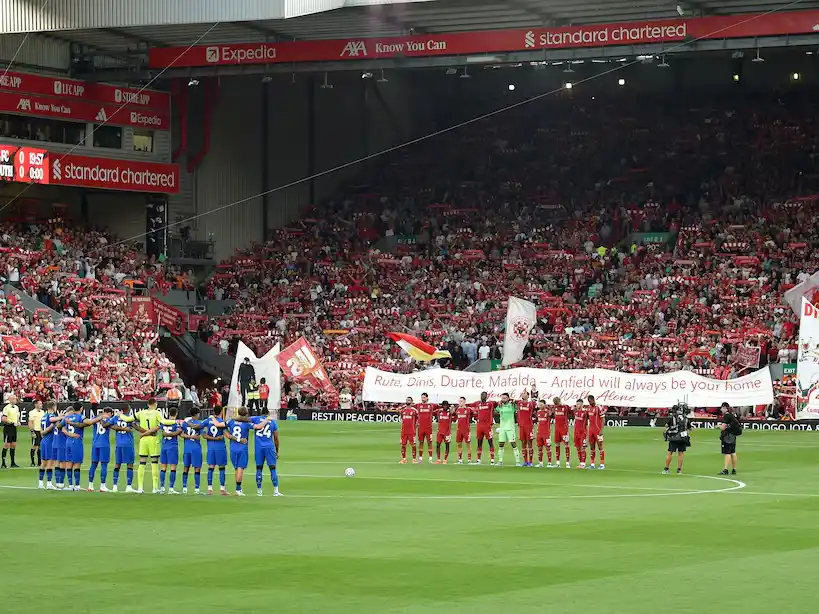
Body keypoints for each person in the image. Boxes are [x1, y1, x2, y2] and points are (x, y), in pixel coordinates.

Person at [134, 399, 164, 494]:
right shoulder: (157, 413)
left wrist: (143, 432)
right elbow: (161, 425)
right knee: (154, 463)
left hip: (143, 440)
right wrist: (149, 431)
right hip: (153, 439)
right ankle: (155, 488)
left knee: (142, 463)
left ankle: (139, 487)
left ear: (148, 404)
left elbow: (132, 423)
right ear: (155, 404)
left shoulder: (141, 413)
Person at [250, 408, 281, 496]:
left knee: (259, 468)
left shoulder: (255, 419)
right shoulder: (272, 422)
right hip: (269, 447)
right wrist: (277, 451)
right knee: (272, 468)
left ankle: (259, 491)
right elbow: (276, 438)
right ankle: (275, 491)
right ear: (268, 414)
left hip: (259, 448)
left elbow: (246, 419)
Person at [64, 401, 95, 491]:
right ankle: (77, 486)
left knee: (69, 464)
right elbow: (89, 422)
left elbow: (59, 426)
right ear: (81, 408)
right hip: (76, 442)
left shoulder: (68, 417)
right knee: (77, 464)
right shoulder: (80, 417)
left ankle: (70, 485)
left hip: (68, 442)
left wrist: (68, 433)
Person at [109, 404, 137, 493]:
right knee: (130, 465)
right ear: (128, 410)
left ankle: (114, 486)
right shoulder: (129, 418)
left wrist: (118, 428)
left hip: (119, 443)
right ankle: (128, 486)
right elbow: (134, 427)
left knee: (117, 465)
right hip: (128, 443)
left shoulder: (115, 418)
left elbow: (109, 425)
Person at [87, 407, 115, 491]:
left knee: (93, 464)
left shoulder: (96, 418)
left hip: (95, 444)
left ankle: (90, 486)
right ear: (109, 413)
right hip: (104, 445)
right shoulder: (109, 419)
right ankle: (102, 486)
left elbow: (90, 422)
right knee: (104, 465)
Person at [202, 406, 229, 495]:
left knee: (211, 468)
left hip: (210, 447)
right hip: (220, 447)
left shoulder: (207, 421)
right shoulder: (222, 422)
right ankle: (222, 489)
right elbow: (226, 434)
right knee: (221, 468)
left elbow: (202, 431)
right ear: (221, 412)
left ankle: (209, 489)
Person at [226, 407, 252, 496]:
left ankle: (238, 489)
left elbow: (224, 428)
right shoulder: (247, 423)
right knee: (241, 468)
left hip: (233, 447)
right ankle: (238, 490)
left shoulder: (231, 422)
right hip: (242, 448)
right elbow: (258, 426)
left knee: (236, 468)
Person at [180, 407, 204, 495]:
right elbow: (203, 435)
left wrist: (189, 437)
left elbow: (181, 434)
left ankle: (184, 488)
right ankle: (197, 489)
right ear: (197, 414)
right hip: (196, 448)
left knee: (186, 467)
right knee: (197, 468)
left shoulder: (185, 423)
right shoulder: (199, 424)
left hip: (187, 448)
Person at [158, 407, 182, 494]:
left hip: (164, 446)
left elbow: (160, 429)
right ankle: (171, 488)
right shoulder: (176, 423)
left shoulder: (164, 422)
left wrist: (165, 434)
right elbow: (179, 432)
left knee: (163, 468)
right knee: (173, 468)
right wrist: (172, 434)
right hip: (172, 446)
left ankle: (162, 487)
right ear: (176, 414)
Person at [495, 393, 522, 467]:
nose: (503, 399)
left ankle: (518, 461)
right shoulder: (500, 406)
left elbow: (519, 405)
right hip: (502, 428)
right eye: (502, 398)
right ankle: (500, 461)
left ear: (508, 398)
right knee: (501, 444)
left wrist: (513, 401)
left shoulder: (512, 405)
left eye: (504, 398)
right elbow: (495, 411)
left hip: (510, 428)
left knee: (513, 443)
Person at [663, 404, 690, 475]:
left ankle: (666, 469)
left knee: (670, 452)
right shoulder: (685, 418)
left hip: (674, 437)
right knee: (681, 453)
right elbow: (689, 428)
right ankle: (679, 470)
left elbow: (666, 425)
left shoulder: (673, 418)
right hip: (683, 437)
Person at [38, 401, 58, 489]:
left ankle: (40, 483)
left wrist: (43, 432)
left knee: (43, 463)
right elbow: (52, 425)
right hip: (50, 441)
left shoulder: (43, 416)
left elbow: (41, 431)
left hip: (43, 440)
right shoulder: (52, 416)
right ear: (53, 407)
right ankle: (49, 484)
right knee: (50, 462)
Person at [719, 402, 741, 475]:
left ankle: (725, 469)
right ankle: (734, 469)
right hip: (733, 435)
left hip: (727, 436)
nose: (721, 409)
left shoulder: (727, 416)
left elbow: (723, 427)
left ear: (725, 408)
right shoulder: (732, 415)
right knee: (733, 452)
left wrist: (718, 426)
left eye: (722, 408)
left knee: (727, 452)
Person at [473, 392, 496, 465]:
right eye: (481, 395)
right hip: (479, 426)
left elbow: (496, 404)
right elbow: (470, 405)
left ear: (486, 397)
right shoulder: (478, 404)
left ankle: (492, 460)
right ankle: (478, 460)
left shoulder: (490, 404)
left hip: (487, 426)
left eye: (484, 395)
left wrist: (491, 422)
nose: (482, 397)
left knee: (490, 443)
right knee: (479, 443)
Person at [1, 393, 21, 468]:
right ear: (9, 400)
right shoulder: (6, 408)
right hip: (8, 428)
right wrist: (12, 422)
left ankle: (13, 462)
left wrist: (18, 422)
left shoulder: (16, 407)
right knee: (7, 445)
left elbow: (17, 417)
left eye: (15, 398)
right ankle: (3, 463)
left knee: (13, 445)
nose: (15, 400)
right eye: (13, 398)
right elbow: (4, 418)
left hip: (14, 428)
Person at [587, 395, 606, 470]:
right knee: (592, 447)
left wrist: (601, 430)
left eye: (591, 401)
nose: (590, 402)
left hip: (598, 431)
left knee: (600, 447)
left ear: (594, 400)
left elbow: (603, 419)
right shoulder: (589, 408)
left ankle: (602, 464)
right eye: (589, 401)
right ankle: (592, 464)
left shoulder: (599, 408)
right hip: (591, 431)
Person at [517, 390, 536, 467]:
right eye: (522, 393)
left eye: (525, 393)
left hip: (528, 426)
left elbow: (535, 404)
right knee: (523, 443)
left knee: (529, 443)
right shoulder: (519, 403)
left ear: (528, 396)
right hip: (521, 426)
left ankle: (530, 462)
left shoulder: (530, 404)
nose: (523, 394)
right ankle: (525, 461)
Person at [415, 392, 436, 463]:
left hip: (428, 427)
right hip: (421, 427)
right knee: (421, 442)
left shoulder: (431, 405)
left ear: (427, 398)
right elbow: (410, 407)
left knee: (429, 442)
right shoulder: (418, 405)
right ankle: (420, 459)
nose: (422, 399)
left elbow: (440, 407)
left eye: (424, 397)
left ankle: (430, 459)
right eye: (422, 397)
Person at [454, 397, 473, 464]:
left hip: (466, 430)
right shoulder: (457, 410)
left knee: (468, 445)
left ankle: (469, 460)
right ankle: (460, 460)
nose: (460, 403)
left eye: (461, 401)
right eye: (459, 401)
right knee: (459, 445)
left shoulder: (468, 409)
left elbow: (473, 413)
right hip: (459, 430)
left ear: (464, 402)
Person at [399, 397, 418, 464]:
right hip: (404, 431)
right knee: (403, 445)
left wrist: (416, 424)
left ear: (412, 401)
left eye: (409, 400)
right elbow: (402, 417)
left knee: (413, 445)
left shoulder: (414, 410)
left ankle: (414, 459)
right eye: (407, 400)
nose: (407, 401)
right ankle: (404, 459)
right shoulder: (403, 410)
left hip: (411, 431)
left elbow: (418, 418)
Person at [552, 397, 571, 468]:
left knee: (566, 445)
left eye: (557, 402)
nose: (557, 404)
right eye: (555, 403)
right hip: (557, 429)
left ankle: (567, 462)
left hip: (564, 429)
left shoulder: (565, 407)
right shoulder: (554, 408)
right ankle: (557, 462)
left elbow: (571, 412)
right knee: (557, 445)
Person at [535, 399, 553, 468]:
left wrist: (547, 408)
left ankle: (549, 463)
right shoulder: (538, 412)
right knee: (539, 448)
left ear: (544, 405)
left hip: (546, 433)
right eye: (539, 405)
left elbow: (551, 413)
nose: (540, 406)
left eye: (541, 404)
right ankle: (540, 463)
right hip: (539, 433)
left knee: (548, 448)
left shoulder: (548, 412)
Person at [572, 398, 589, 469]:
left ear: (582, 404)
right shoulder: (575, 411)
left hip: (583, 432)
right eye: (577, 404)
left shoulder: (585, 412)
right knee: (578, 448)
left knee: (583, 448)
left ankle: (583, 463)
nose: (577, 405)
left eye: (579, 404)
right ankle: (580, 463)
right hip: (576, 432)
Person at [28, 400, 44, 468]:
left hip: (41, 431)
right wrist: (32, 432)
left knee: (40, 446)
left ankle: (39, 462)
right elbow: (30, 422)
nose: (41, 405)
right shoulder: (32, 412)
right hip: (35, 431)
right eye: (40, 404)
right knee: (34, 446)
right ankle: (32, 462)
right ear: (36, 404)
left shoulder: (43, 412)